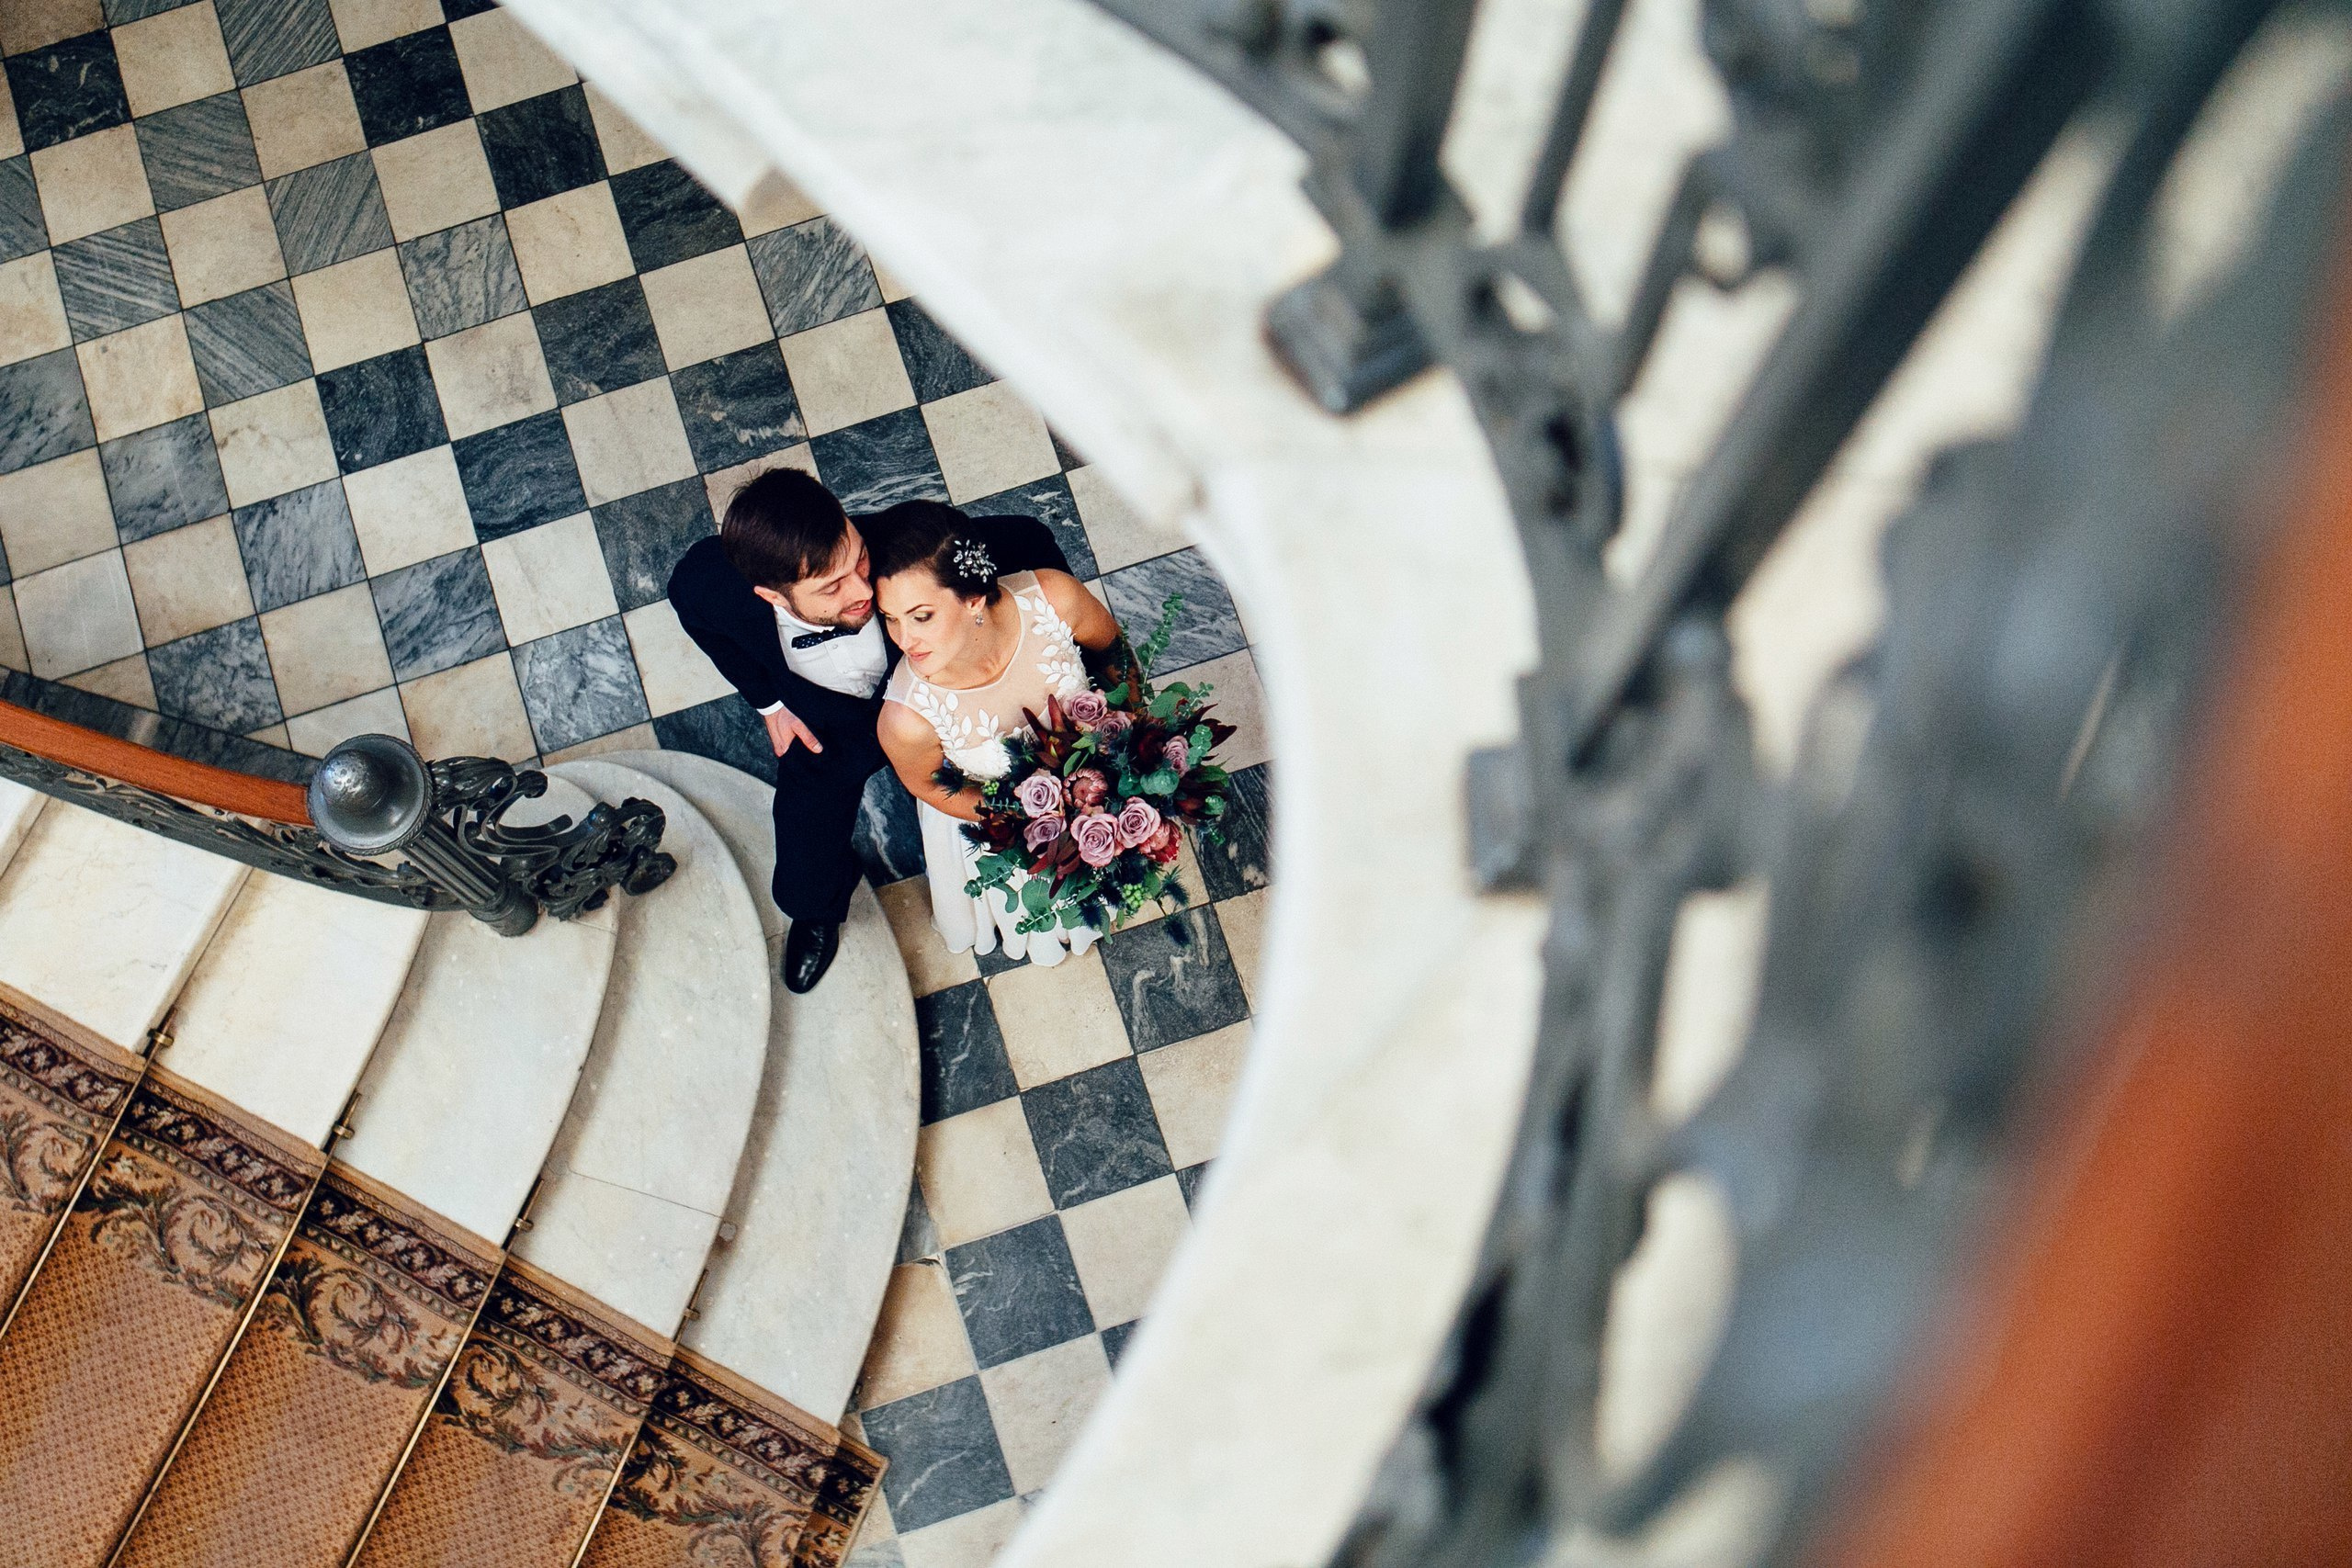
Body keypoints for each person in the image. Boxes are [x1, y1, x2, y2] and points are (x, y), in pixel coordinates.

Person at [666, 470, 1069, 992]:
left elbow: (1028, 539)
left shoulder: (911, 543)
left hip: (940, 707)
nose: (863, 590)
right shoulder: (713, 582)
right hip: (830, 725)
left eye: (857, 558)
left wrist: (1050, 644)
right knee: (804, 826)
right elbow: (690, 606)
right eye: (831, 586)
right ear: (770, 595)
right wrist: (768, 703)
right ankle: (816, 910)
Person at [871, 502, 1123, 966]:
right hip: (1003, 825)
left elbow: (1113, 651)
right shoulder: (906, 719)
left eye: (920, 616)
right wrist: (1028, 820)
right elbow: (926, 784)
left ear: (972, 598)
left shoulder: (1055, 599)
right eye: (890, 618)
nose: (904, 640)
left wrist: (1131, 747)